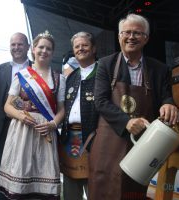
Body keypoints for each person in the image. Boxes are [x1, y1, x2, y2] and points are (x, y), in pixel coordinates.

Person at [89, 13, 179, 200]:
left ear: (146, 39)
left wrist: (169, 104)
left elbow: (166, 96)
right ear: (119, 36)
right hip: (109, 139)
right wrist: (126, 122)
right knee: (104, 187)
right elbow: (100, 101)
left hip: (142, 143)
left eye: (137, 33)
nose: (131, 37)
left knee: (134, 191)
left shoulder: (159, 69)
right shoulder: (106, 64)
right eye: (127, 32)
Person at [0, 30, 66, 199]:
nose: (44, 51)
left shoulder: (59, 78)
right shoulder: (21, 76)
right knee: (21, 179)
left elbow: (62, 110)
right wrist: (21, 116)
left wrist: (52, 124)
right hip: (22, 130)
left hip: (46, 131)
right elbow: (7, 106)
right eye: (40, 47)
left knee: (43, 179)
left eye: (48, 48)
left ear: (52, 52)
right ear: (33, 49)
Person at [0, 32, 31, 200]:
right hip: (1, 129)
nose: (16, 47)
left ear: (28, 47)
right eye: (13, 44)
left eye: (20, 44)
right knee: (2, 172)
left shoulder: (36, 69)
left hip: (27, 127)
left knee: (25, 171)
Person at [59, 32, 99, 200]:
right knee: (70, 192)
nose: (80, 49)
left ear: (94, 48)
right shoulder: (71, 77)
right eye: (77, 46)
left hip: (95, 138)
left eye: (85, 45)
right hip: (70, 138)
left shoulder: (104, 71)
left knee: (96, 189)